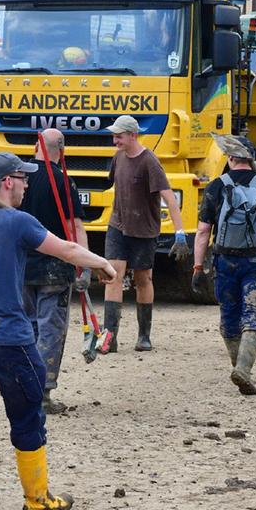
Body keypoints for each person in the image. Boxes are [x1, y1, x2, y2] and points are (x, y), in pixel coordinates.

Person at [0, 152, 117, 510]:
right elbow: (65, 248)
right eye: (23, 177)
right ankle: (37, 501)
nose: (28, 184)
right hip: (10, 341)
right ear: (7, 182)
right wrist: (103, 263)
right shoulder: (17, 221)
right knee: (29, 420)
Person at [191, 134, 256, 395]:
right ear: (251, 160)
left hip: (225, 261)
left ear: (230, 158)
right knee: (255, 316)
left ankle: (238, 365)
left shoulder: (216, 186)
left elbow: (203, 232)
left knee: (230, 314)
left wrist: (197, 267)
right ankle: (243, 369)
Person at [19, 129, 90, 414]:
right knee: (51, 330)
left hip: (23, 265)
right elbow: (75, 226)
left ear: (37, 145)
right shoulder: (61, 180)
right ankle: (43, 394)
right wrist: (84, 265)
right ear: (62, 149)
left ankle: (25, 388)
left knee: (28, 326)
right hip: (55, 267)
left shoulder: (19, 179)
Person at [101, 114, 186, 352]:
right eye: (114, 136)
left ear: (132, 135)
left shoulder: (149, 162)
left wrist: (179, 232)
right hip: (118, 226)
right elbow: (112, 185)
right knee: (113, 276)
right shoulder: (118, 158)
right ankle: (110, 338)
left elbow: (169, 198)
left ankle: (144, 336)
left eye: (118, 137)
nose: (115, 141)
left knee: (143, 279)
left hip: (144, 230)